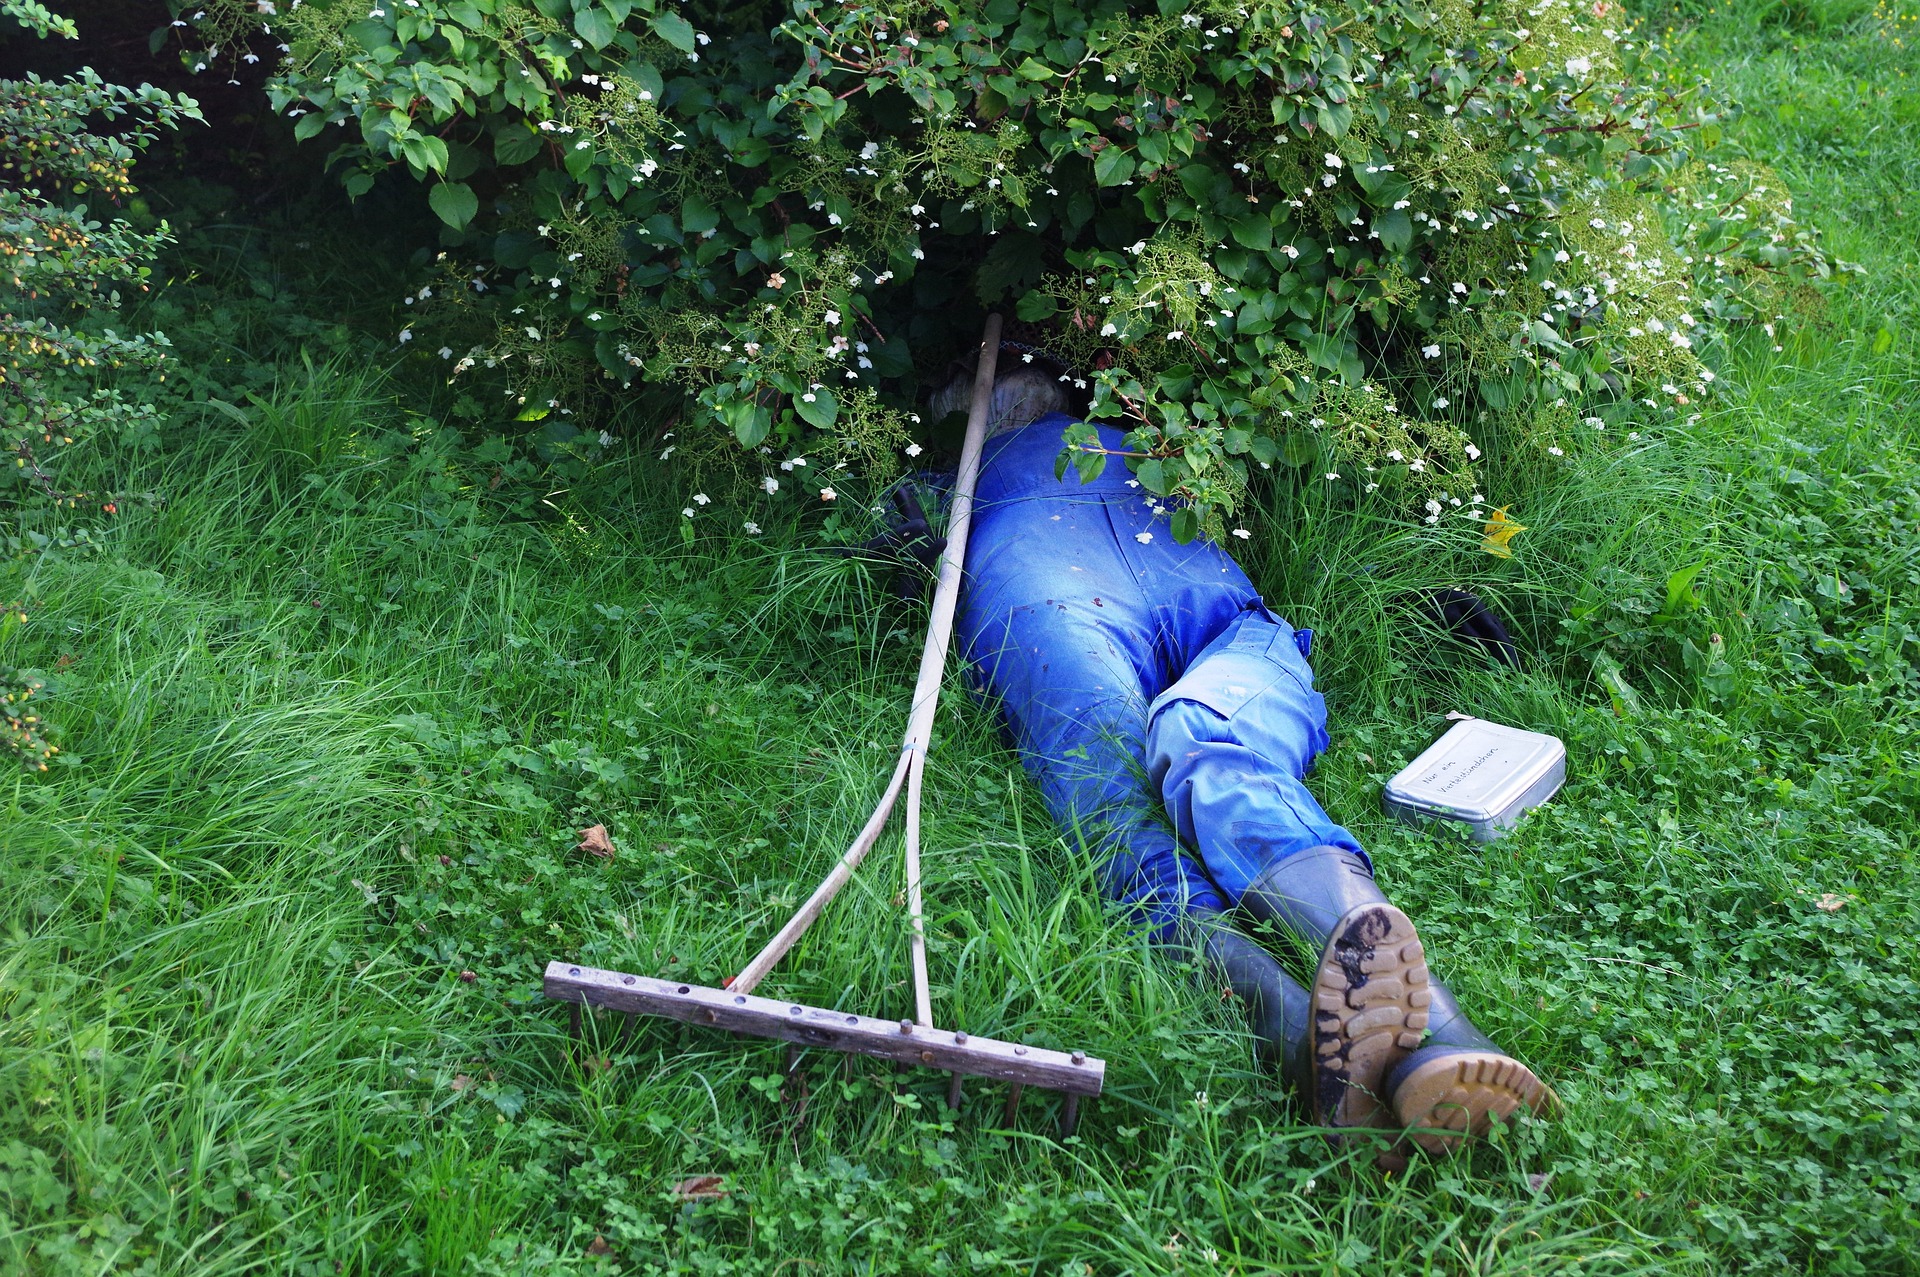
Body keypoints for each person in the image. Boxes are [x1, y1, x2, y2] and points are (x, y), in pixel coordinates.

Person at [929, 356, 1556, 1154]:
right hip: (1049, 601)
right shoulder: (953, 488)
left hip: (1226, 623)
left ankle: (1438, 1032)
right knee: (1113, 789)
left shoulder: (1144, 443)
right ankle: (1305, 1042)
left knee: (1207, 738)